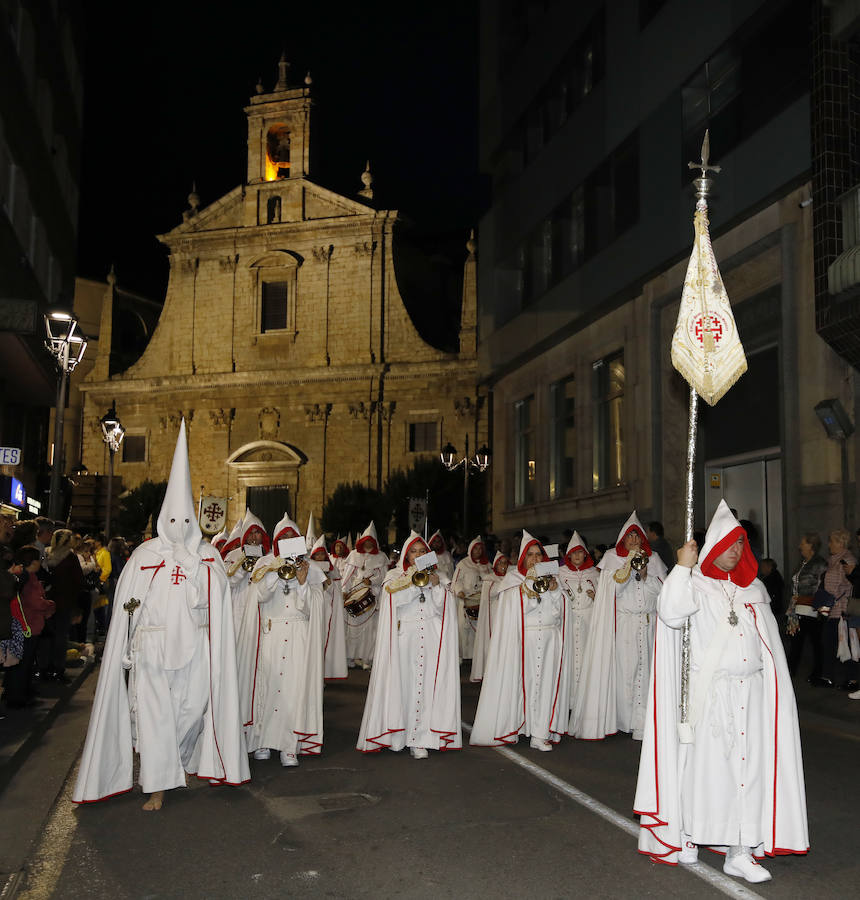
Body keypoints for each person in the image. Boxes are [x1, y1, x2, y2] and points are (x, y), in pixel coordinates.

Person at [73, 420, 249, 808]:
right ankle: (157, 783)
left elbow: (216, 597)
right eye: (172, 520)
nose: (179, 527)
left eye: (186, 520)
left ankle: (181, 760)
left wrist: (194, 570)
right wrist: (125, 643)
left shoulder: (206, 556)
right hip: (151, 649)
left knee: (190, 711)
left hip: (194, 650)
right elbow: (126, 604)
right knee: (154, 717)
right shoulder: (144, 555)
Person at [634, 500, 808, 883]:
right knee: (706, 771)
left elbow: (768, 647)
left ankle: (740, 850)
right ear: (712, 545)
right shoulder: (694, 583)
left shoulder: (755, 590)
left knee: (750, 772)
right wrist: (682, 565)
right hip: (710, 696)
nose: (735, 551)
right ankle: (690, 833)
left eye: (740, 545)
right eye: (728, 544)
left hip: (753, 695)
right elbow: (671, 613)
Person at [357, 532, 461, 757]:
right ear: (406, 554)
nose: (418, 555)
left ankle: (422, 737)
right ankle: (399, 735)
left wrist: (435, 586)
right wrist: (413, 583)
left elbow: (441, 608)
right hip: (406, 637)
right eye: (413, 551)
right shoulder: (394, 576)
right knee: (404, 684)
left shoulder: (439, 576)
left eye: (422, 551)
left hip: (430, 636)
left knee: (426, 686)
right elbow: (394, 602)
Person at [470, 531, 571, 751]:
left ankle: (540, 732)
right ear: (523, 558)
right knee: (523, 684)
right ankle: (519, 724)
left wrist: (555, 592)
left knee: (546, 685)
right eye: (531, 555)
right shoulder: (513, 581)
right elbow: (516, 612)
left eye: (539, 555)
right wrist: (533, 590)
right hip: (525, 639)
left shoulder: (554, 579)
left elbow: (560, 612)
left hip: (549, 639)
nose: (535, 559)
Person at [571, 511, 666, 741]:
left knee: (647, 671)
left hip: (647, 622)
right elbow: (612, 592)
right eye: (629, 537)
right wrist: (629, 569)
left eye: (637, 536)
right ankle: (626, 719)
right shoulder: (612, 558)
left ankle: (643, 720)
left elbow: (662, 592)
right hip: (625, 623)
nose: (634, 540)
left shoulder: (653, 559)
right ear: (623, 539)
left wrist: (645, 575)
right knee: (628, 670)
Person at [237, 522, 326, 767]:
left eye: (292, 536)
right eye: (283, 537)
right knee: (268, 684)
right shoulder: (265, 563)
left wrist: (304, 582)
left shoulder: (310, 567)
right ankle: (263, 741)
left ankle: (290, 746)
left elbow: (314, 607)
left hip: (298, 632)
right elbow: (260, 595)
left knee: (293, 689)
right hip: (272, 632)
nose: (288, 539)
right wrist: (276, 572)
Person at [2, 546, 55, 708]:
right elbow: (34, 602)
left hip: (24, 625)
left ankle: (16, 693)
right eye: (39, 559)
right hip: (28, 626)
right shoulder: (27, 579)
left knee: (19, 664)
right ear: (32, 562)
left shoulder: (25, 577)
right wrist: (50, 603)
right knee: (23, 664)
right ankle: (18, 698)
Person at [557, 531, 598, 717]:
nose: (577, 556)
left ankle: (586, 701)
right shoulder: (560, 573)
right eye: (573, 553)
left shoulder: (594, 573)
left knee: (587, 660)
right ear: (568, 555)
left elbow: (604, 599)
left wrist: (596, 597)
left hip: (589, 621)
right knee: (570, 660)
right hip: (570, 621)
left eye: (580, 552)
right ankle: (570, 700)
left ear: (585, 554)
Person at [341, 522, 389, 670]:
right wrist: (344, 591)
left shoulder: (381, 557)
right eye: (366, 540)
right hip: (355, 595)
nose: (368, 542)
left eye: (370, 540)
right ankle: (351, 657)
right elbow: (348, 576)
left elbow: (384, 576)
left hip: (372, 594)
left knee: (370, 630)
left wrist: (372, 581)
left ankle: (368, 658)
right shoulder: (354, 555)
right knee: (353, 629)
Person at [41, 529, 85, 684]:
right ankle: (57, 669)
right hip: (64, 602)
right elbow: (79, 581)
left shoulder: (46, 554)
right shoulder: (70, 558)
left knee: (47, 636)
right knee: (60, 636)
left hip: (46, 601)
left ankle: (44, 667)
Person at [817, 528, 858, 690]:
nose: (829, 544)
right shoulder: (833, 560)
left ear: (841, 543)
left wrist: (826, 596)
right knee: (829, 643)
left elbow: (845, 585)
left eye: (832, 541)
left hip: (842, 611)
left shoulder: (847, 560)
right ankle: (828, 677)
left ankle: (852, 680)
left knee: (845, 645)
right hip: (832, 609)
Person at [785, 533, 827, 681]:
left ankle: (817, 672)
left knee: (815, 642)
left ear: (811, 546)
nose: (799, 546)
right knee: (796, 640)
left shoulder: (819, 563)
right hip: (798, 608)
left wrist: (822, 610)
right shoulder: (802, 563)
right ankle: (791, 670)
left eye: (802, 543)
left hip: (811, 609)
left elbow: (823, 587)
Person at [224, 510, 270, 634]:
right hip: (240, 605)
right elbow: (227, 581)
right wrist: (242, 566)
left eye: (257, 533)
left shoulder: (270, 556)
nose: (253, 537)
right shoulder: (233, 555)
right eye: (250, 534)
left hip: (262, 605)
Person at [308, 535, 348, 681]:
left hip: (327, 611)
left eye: (321, 554)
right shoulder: (308, 567)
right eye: (317, 554)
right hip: (312, 610)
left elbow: (335, 591)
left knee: (324, 639)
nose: (319, 557)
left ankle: (322, 673)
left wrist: (328, 582)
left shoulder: (334, 570)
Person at [450, 535, 490, 662]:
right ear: (471, 549)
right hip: (466, 600)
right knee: (464, 628)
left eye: (480, 549)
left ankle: (478, 657)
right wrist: (459, 590)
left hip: (482, 601)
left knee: (480, 629)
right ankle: (464, 656)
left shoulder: (487, 564)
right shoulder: (463, 563)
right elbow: (456, 581)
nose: (478, 551)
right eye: (475, 549)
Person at [470, 551, 508, 682]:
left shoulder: (509, 577)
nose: (503, 566)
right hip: (493, 617)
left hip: (506, 617)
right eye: (500, 563)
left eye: (505, 563)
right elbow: (492, 592)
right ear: (495, 565)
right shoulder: (489, 579)